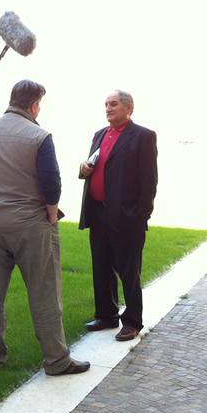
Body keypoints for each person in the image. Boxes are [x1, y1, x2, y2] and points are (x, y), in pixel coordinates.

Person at [0, 80, 90, 376]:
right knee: (45, 293)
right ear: (33, 106)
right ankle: (56, 360)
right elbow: (51, 182)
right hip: (30, 225)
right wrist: (52, 217)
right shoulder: (39, 135)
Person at [79, 89, 158, 341]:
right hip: (98, 213)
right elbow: (91, 167)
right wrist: (82, 169)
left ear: (129, 108)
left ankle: (132, 322)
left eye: (113, 104)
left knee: (128, 271)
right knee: (101, 266)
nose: (108, 108)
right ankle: (106, 315)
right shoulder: (100, 134)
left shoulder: (143, 136)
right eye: (106, 104)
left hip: (127, 218)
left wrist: (140, 216)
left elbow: (149, 181)